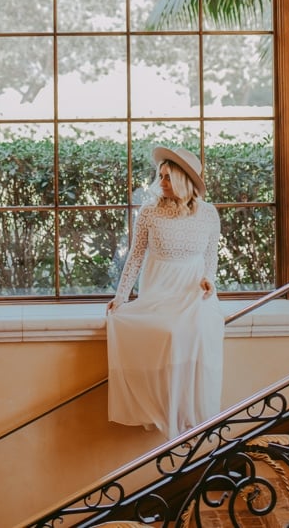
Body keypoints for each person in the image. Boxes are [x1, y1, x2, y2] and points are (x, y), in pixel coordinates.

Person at [106, 146, 224, 441]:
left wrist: (209, 279)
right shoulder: (149, 213)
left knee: (196, 333)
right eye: (160, 177)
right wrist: (121, 296)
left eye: (168, 178)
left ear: (184, 179)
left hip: (192, 292)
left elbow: (211, 256)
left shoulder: (209, 214)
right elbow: (134, 257)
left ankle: (188, 416)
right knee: (168, 335)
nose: (161, 183)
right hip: (159, 291)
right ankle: (163, 412)